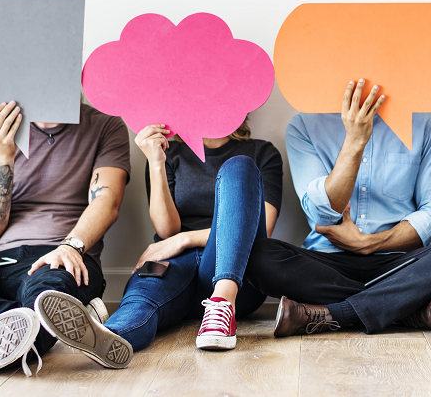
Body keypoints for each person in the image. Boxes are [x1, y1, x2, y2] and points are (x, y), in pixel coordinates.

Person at [244, 79, 431, 337]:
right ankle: (406, 308)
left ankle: (336, 313)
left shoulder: (425, 126)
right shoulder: (305, 125)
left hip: (400, 264)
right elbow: (320, 213)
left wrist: (371, 243)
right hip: (327, 263)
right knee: (256, 254)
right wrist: (354, 141)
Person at [34, 117, 283, 363]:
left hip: (234, 275)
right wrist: (156, 163)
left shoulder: (262, 153)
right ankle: (107, 335)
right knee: (142, 298)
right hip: (176, 263)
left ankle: (221, 305)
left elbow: (264, 225)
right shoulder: (171, 153)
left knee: (239, 166)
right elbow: (166, 229)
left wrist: (183, 239)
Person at [0, 101, 131, 375]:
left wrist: (70, 246)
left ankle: (32, 322)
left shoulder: (106, 124)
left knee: (47, 293)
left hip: (61, 254)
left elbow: (107, 202)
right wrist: (3, 154)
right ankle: (50, 319)